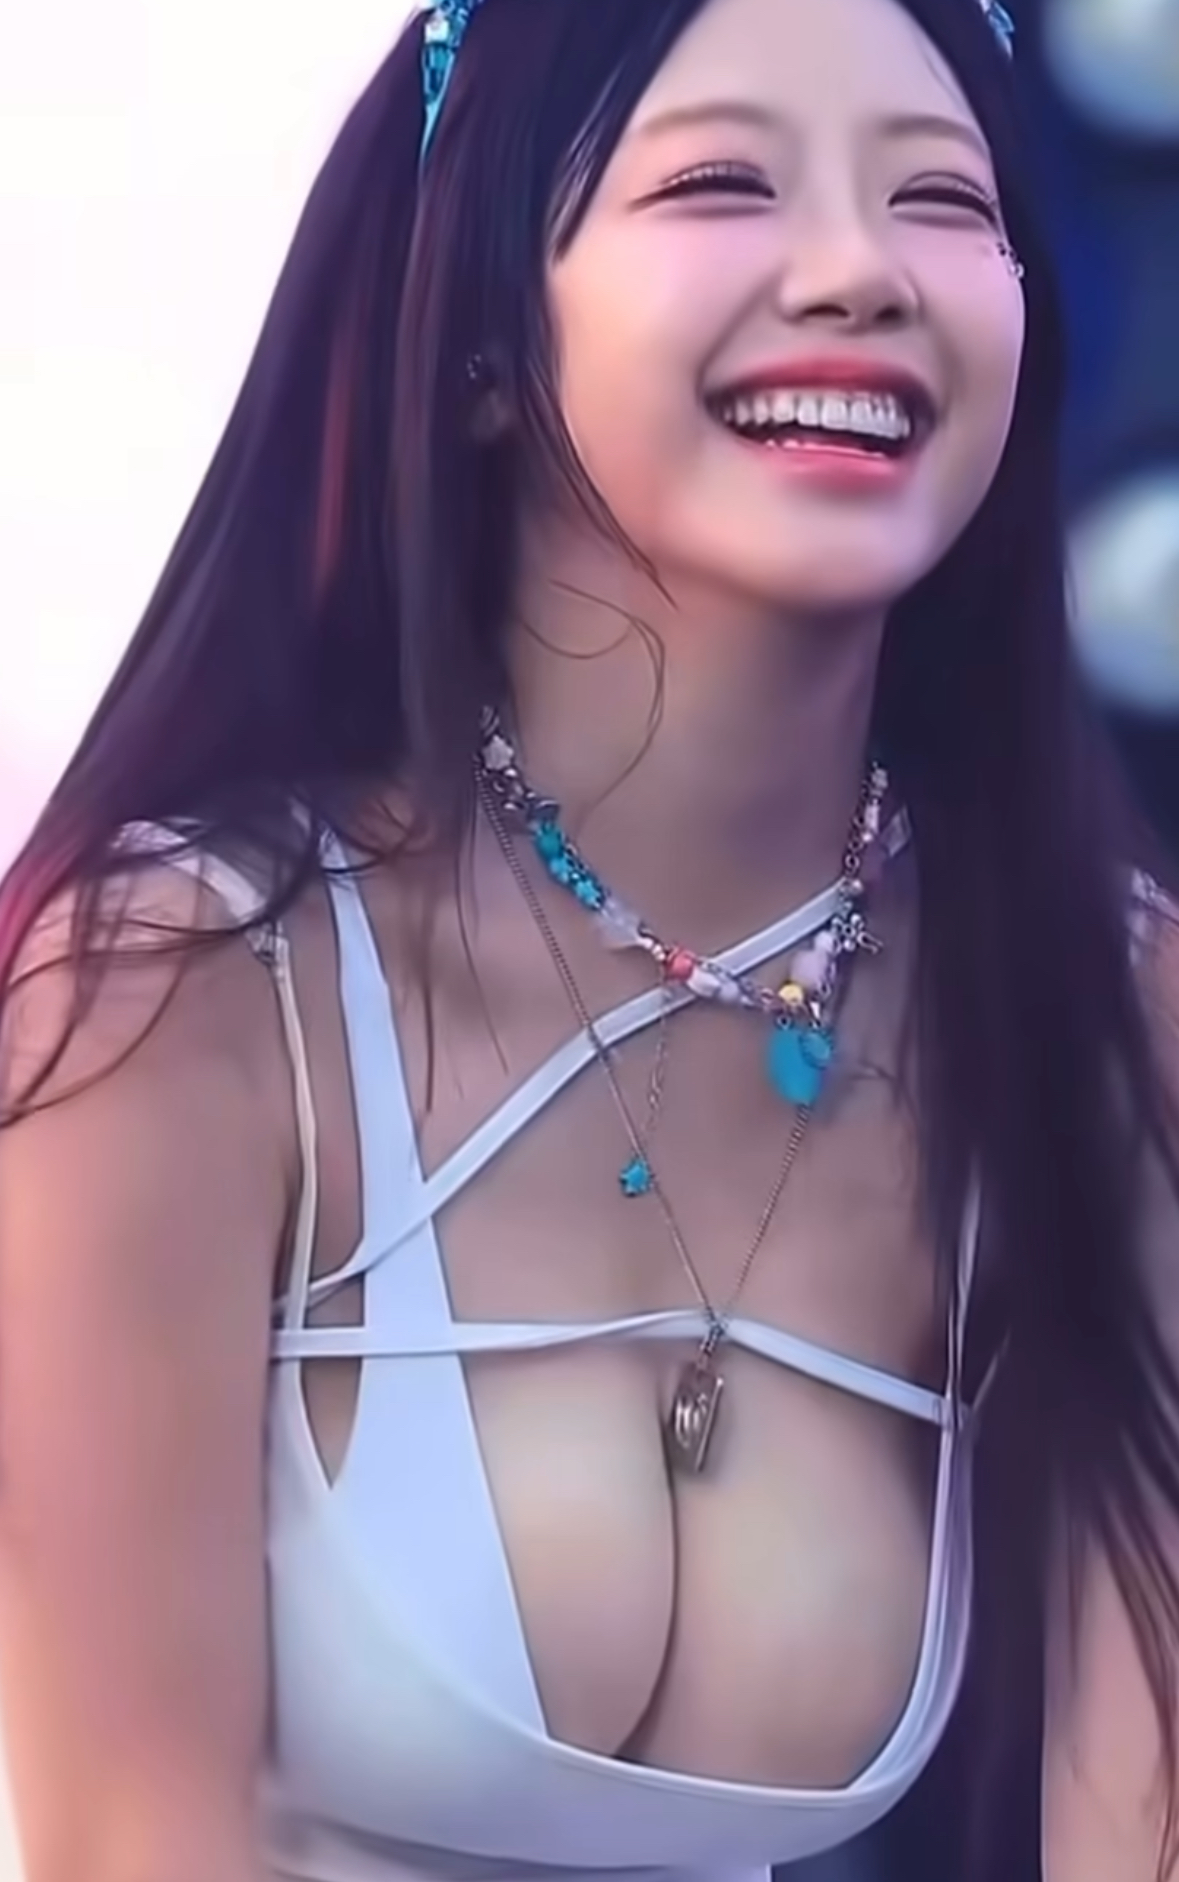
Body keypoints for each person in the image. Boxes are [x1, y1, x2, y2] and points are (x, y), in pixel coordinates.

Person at [1, 1, 1177, 1880]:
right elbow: (129, 1837)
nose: (858, 270)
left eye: (943, 201)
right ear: (478, 338)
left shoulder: (1106, 1006)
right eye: (722, 181)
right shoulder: (187, 983)